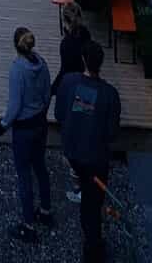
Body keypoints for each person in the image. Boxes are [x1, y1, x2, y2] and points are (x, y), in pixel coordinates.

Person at [55, 40, 121, 263]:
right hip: (94, 158)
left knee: (88, 199)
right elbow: (112, 133)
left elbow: (61, 115)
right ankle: (93, 249)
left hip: (75, 153)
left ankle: (92, 241)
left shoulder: (70, 83)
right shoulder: (108, 94)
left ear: (83, 60)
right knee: (93, 203)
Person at [0, 26, 54, 244]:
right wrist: (42, 111)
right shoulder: (42, 63)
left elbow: (15, 104)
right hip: (40, 123)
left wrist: (3, 125)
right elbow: (48, 92)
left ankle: (28, 225)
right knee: (40, 166)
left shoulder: (17, 70)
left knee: (24, 175)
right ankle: (46, 211)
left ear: (15, 47)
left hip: (24, 128)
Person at [51, 1, 92, 204]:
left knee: (71, 136)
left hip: (71, 89)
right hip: (86, 88)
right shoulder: (86, 35)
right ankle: (85, 185)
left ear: (65, 21)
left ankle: (79, 186)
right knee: (83, 134)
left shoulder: (66, 44)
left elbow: (65, 70)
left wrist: (51, 90)